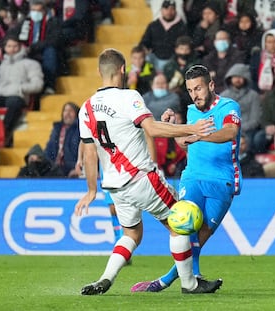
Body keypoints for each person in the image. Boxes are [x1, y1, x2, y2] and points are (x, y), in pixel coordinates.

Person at [75, 48, 221, 295]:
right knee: (180, 221)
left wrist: (91, 190)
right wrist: (191, 128)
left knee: (131, 233)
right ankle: (190, 284)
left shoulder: (86, 108)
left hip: (114, 186)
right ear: (123, 70)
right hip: (141, 177)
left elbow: (89, 154)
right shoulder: (129, 97)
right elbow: (152, 129)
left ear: (100, 72)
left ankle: (106, 278)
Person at [131, 64, 242, 292]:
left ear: (211, 85)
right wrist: (175, 128)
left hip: (221, 181)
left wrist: (200, 136)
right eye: (191, 90)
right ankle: (189, 281)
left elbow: (230, 132)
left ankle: (169, 279)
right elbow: (185, 143)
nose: (195, 94)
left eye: (199, 88)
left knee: (200, 237)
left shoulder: (229, 106)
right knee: (184, 227)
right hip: (191, 177)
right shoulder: (191, 111)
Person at [0, 35, 43, 147]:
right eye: (9, 46)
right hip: (0, 95)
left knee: (14, 103)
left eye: (15, 46)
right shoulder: (2, 65)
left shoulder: (30, 64)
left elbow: (38, 84)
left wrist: (20, 88)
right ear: (4, 48)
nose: (12, 49)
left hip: (17, 96)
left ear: (20, 47)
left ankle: (3, 134)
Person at [14, 0, 62, 95]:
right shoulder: (25, 21)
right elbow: (13, 34)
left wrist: (33, 47)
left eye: (38, 10)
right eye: (33, 10)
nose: (35, 13)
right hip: (27, 51)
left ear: (44, 11)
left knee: (50, 51)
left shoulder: (53, 21)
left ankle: (49, 86)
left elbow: (54, 40)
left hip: (43, 50)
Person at [220, 63, 261, 153]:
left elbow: (255, 119)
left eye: (240, 77)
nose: (237, 80)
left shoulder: (253, 95)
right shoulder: (223, 97)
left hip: (248, 130)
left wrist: (239, 128)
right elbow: (220, 117)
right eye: (235, 77)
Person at [139, 0, 187, 72]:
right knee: (141, 56)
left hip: (172, 59)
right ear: (161, 10)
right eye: (166, 9)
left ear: (175, 10)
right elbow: (144, 42)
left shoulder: (182, 26)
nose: (169, 11)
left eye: (172, 9)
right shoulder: (153, 25)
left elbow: (185, 45)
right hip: (154, 57)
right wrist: (144, 48)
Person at [202, 29, 246, 93]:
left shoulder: (238, 55)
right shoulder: (208, 58)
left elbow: (233, 75)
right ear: (214, 42)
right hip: (213, 90)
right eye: (219, 39)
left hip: (231, 89)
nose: (221, 41)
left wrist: (215, 75)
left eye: (224, 39)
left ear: (229, 41)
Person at [44, 102, 80, 177]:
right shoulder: (57, 129)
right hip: (54, 166)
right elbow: (49, 149)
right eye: (65, 111)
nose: (67, 113)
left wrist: (79, 168)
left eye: (71, 111)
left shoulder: (80, 129)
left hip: (71, 167)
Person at [249, 28, 275, 93]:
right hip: (261, 92)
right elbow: (254, 76)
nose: (272, 45)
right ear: (265, 43)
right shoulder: (258, 57)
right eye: (269, 42)